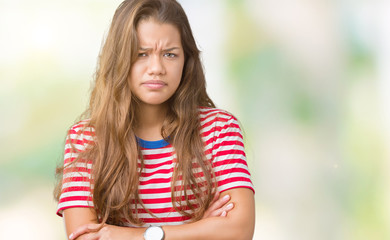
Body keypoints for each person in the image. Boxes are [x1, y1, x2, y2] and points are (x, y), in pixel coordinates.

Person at [53, 0, 255, 239]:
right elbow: (85, 237)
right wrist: (201, 227)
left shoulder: (219, 129)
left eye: (170, 54)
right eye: (141, 54)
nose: (156, 68)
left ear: (186, 60)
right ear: (119, 59)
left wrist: (129, 235)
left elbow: (239, 231)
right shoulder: (85, 139)